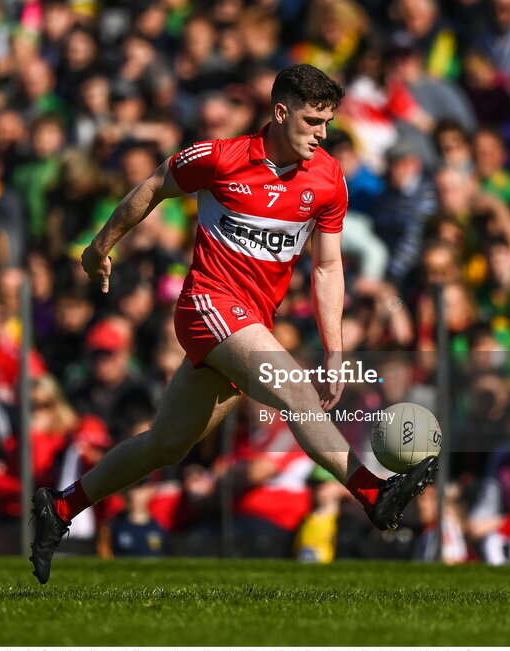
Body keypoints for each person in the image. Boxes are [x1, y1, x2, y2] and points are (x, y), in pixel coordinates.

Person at [30, 64, 438, 584]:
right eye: (313, 121)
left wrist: (335, 350)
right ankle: (372, 493)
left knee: (166, 445)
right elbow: (154, 185)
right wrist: (99, 248)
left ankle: (61, 507)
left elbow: (330, 267)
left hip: (251, 323)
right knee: (297, 393)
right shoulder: (220, 157)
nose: (322, 134)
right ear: (281, 112)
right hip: (207, 304)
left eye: (328, 123)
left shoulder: (328, 178)